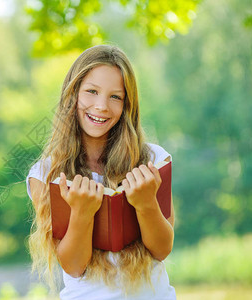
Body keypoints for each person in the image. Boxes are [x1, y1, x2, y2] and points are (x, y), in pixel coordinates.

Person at [26, 45, 176, 299]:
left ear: (127, 105)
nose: (101, 106)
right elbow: (74, 266)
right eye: (92, 92)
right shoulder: (46, 174)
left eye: (115, 97)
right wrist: (82, 213)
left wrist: (146, 204)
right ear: (73, 94)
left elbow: (161, 250)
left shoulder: (153, 159)